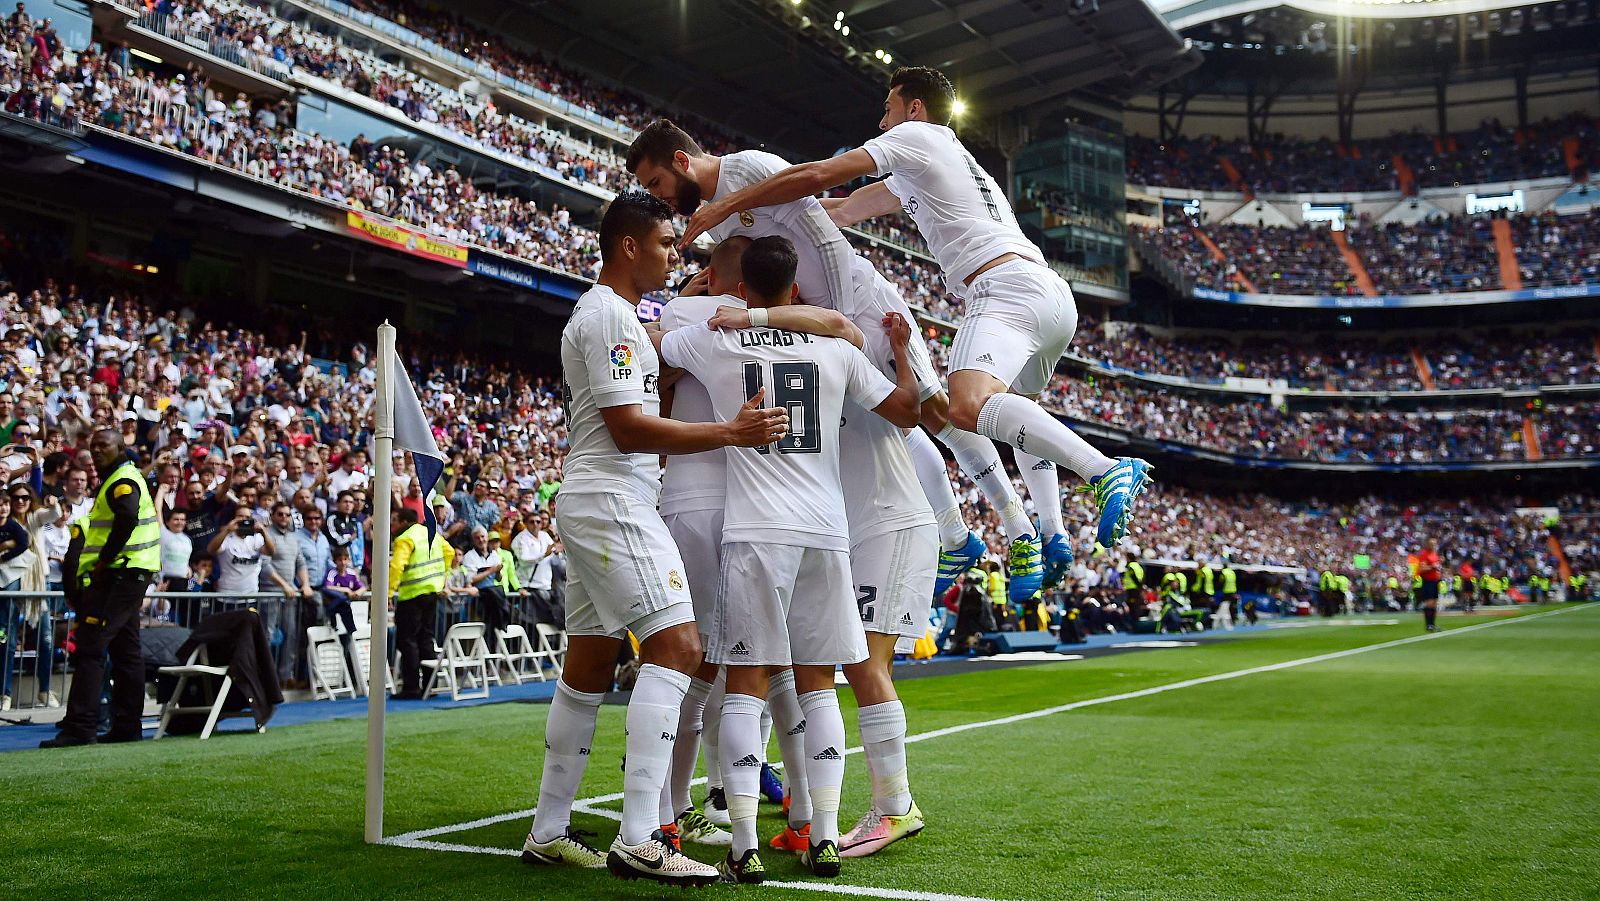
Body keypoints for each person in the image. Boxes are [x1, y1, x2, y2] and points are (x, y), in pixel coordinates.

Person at [678, 65, 1153, 560]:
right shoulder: (932, 165)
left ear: (914, 108)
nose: (882, 123)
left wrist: (724, 204)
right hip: (1048, 295)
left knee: (967, 406)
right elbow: (833, 210)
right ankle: (1052, 532)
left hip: (1001, 287)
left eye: (888, 109)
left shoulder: (916, 136)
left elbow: (814, 175)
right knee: (1017, 414)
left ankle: (1102, 468)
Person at [626, 116, 1044, 602]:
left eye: (656, 182)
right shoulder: (716, 217)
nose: (660, 197)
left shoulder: (752, 168)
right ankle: (956, 536)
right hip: (821, 324)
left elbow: (823, 238)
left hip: (860, 303)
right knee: (892, 422)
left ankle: (1019, 527)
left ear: (682, 160)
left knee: (937, 412)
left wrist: (840, 319)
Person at [522, 193, 784, 887]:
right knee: (679, 647)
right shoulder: (608, 314)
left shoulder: (618, 317)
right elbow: (630, 428)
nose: (676, 254)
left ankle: (548, 830)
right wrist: (730, 431)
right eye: (667, 242)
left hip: (598, 495)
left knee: (587, 666)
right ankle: (641, 834)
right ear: (628, 246)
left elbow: (642, 395)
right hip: (613, 495)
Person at [657, 235, 922, 881]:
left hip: (755, 532)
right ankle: (823, 835)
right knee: (818, 684)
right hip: (825, 532)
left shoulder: (715, 338)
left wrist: (703, 298)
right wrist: (906, 357)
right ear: (794, 287)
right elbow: (909, 412)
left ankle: (743, 844)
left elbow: (663, 340)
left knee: (745, 686)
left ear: (739, 287)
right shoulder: (834, 348)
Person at [41, 428, 161, 747]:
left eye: (103, 446)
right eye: (92, 447)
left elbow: (127, 517)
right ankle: (127, 726)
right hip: (130, 574)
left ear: (120, 447)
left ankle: (81, 727)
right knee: (126, 651)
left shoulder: (123, 479)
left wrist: (104, 560)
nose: (96, 451)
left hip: (121, 574)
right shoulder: (118, 477)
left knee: (92, 646)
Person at [387, 506, 454, 699]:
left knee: (407, 641)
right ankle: (430, 685)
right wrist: (442, 578)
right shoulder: (430, 532)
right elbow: (449, 552)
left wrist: (389, 592)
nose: (392, 525)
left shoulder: (404, 539)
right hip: (432, 592)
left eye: (395, 521)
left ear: (404, 522)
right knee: (426, 638)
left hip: (411, 595)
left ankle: (411, 687)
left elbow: (397, 565)